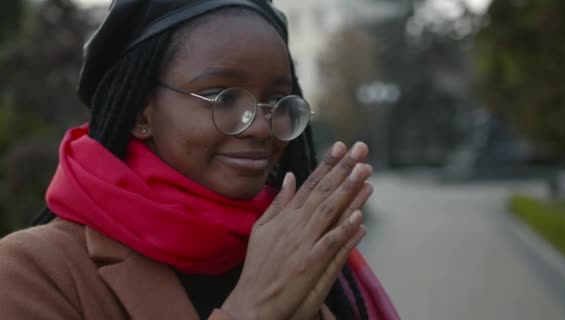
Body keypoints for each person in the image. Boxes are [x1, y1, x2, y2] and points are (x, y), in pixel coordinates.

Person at [0, 0, 398, 319]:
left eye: (277, 101)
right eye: (223, 97)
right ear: (141, 113)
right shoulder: (31, 272)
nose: (261, 126)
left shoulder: (302, 250)